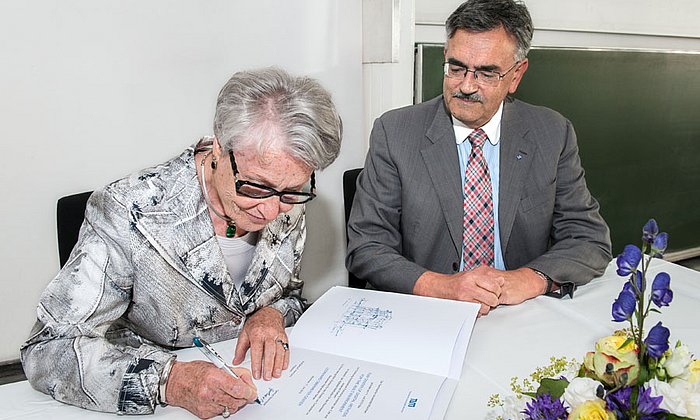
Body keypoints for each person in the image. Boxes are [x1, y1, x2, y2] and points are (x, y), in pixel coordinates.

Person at [21, 67, 343, 418]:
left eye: (291, 191)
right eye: (256, 187)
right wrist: (168, 381)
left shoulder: (285, 201)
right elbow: (49, 349)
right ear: (220, 147)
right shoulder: (130, 212)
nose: (270, 209)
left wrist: (270, 313)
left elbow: (287, 293)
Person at [346, 0, 611, 316]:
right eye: (456, 68)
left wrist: (529, 279)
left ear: (516, 75)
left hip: (520, 313)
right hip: (429, 313)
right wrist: (446, 287)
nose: (466, 86)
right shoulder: (395, 132)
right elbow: (367, 248)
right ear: (445, 56)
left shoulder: (552, 133)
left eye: (486, 73)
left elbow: (588, 239)